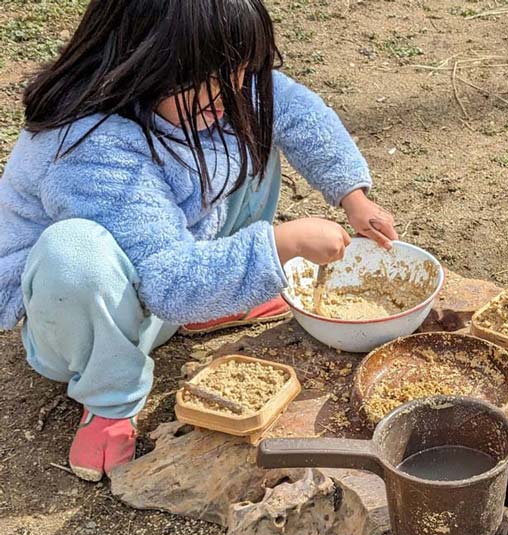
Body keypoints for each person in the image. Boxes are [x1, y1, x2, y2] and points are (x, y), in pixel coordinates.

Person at [0, 0, 397, 481]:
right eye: (203, 79)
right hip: (87, 321)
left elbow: (297, 111)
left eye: (239, 70)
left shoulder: (209, 85)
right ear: (139, 60)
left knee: (258, 115)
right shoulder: (87, 147)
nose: (226, 91)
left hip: (174, 281)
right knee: (75, 254)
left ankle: (215, 300)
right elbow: (166, 281)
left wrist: (351, 195)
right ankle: (108, 400)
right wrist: (279, 244)